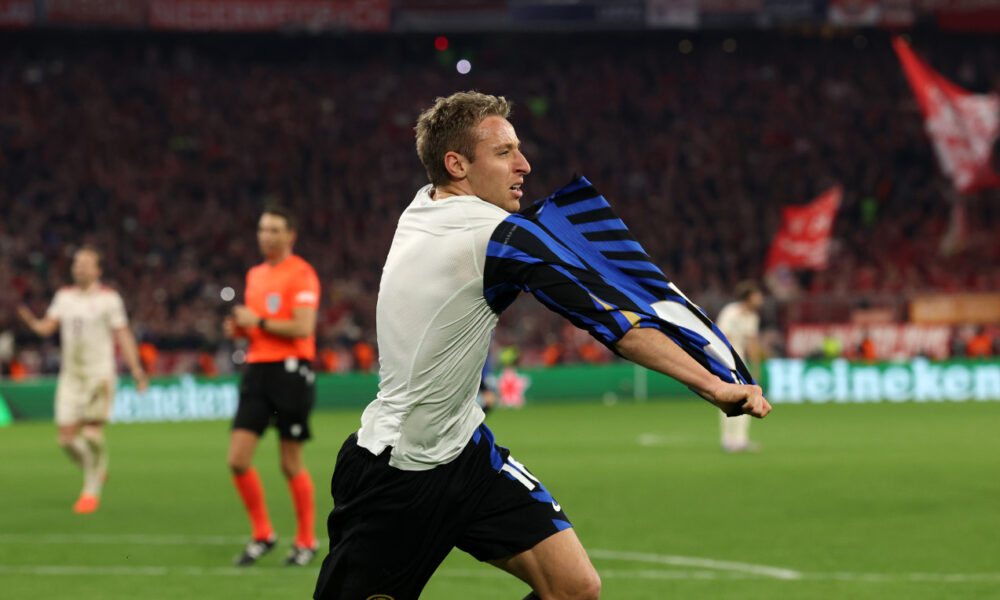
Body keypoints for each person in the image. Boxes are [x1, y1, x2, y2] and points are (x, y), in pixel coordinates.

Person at [313, 91, 771, 600]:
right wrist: (711, 383)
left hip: (465, 450)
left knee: (575, 589)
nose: (524, 165)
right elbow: (615, 322)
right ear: (456, 164)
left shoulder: (424, 206)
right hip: (397, 471)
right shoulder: (489, 235)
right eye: (505, 152)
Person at [223, 204, 321, 567]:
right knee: (237, 459)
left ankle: (306, 541)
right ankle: (262, 534)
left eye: (274, 230)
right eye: (263, 229)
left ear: (290, 235)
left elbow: (303, 327)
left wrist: (258, 321)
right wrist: (241, 329)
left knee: (290, 462)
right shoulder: (255, 275)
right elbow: (257, 326)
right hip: (257, 371)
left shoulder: (302, 274)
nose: (266, 236)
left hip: (290, 373)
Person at [17, 246, 148, 513]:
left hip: (99, 375)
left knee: (90, 434)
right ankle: (96, 468)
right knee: (65, 440)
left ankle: (90, 491)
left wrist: (136, 369)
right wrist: (32, 321)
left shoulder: (109, 299)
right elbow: (47, 328)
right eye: (76, 263)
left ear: (98, 270)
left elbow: (123, 335)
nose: (79, 267)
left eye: (86, 263)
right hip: (71, 377)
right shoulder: (64, 297)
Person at [715, 281, 765, 453]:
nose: (760, 299)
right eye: (757, 295)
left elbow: (752, 342)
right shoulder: (730, 312)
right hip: (725, 360)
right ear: (748, 297)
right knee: (729, 398)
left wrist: (756, 365)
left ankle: (741, 439)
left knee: (748, 397)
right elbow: (722, 336)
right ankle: (728, 439)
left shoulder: (752, 317)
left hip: (741, 361)